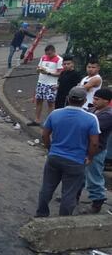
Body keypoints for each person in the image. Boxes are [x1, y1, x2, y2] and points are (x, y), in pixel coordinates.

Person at [36, 87, 100, 217]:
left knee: (47, 188)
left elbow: (45, 135)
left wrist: (50, 149)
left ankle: (41, 214)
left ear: (68, 98)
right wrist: (90, 157)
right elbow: (94, 143)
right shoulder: (91, 118)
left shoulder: (55, 114)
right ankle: (63, 219)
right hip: (76, 161)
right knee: (69, 193)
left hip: (54, 157)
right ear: (84, 101)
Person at [83, 88, 112, 213]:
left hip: (97, 150)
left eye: (97, 99)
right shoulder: (93, 110)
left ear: (106, 101)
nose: (94, 101)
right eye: (94, 98)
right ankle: (74, 195)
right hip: (86, 148)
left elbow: (90, 127)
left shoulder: (108, 115)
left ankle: (97, 201)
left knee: (94, 177)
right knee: (80, 174)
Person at [30, 45, 63, 126]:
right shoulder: (43, 57)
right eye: (47, 54)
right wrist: (39, 70)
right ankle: (37, 119)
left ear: (54, 51)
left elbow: (60, 73)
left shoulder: (59, 59)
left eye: (50, 54)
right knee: (38, 101)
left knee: (50, 103)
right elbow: (38, 68)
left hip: (51, 84)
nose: (48, 55)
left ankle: (49, 122)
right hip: (41, 82)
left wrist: (48, 73)